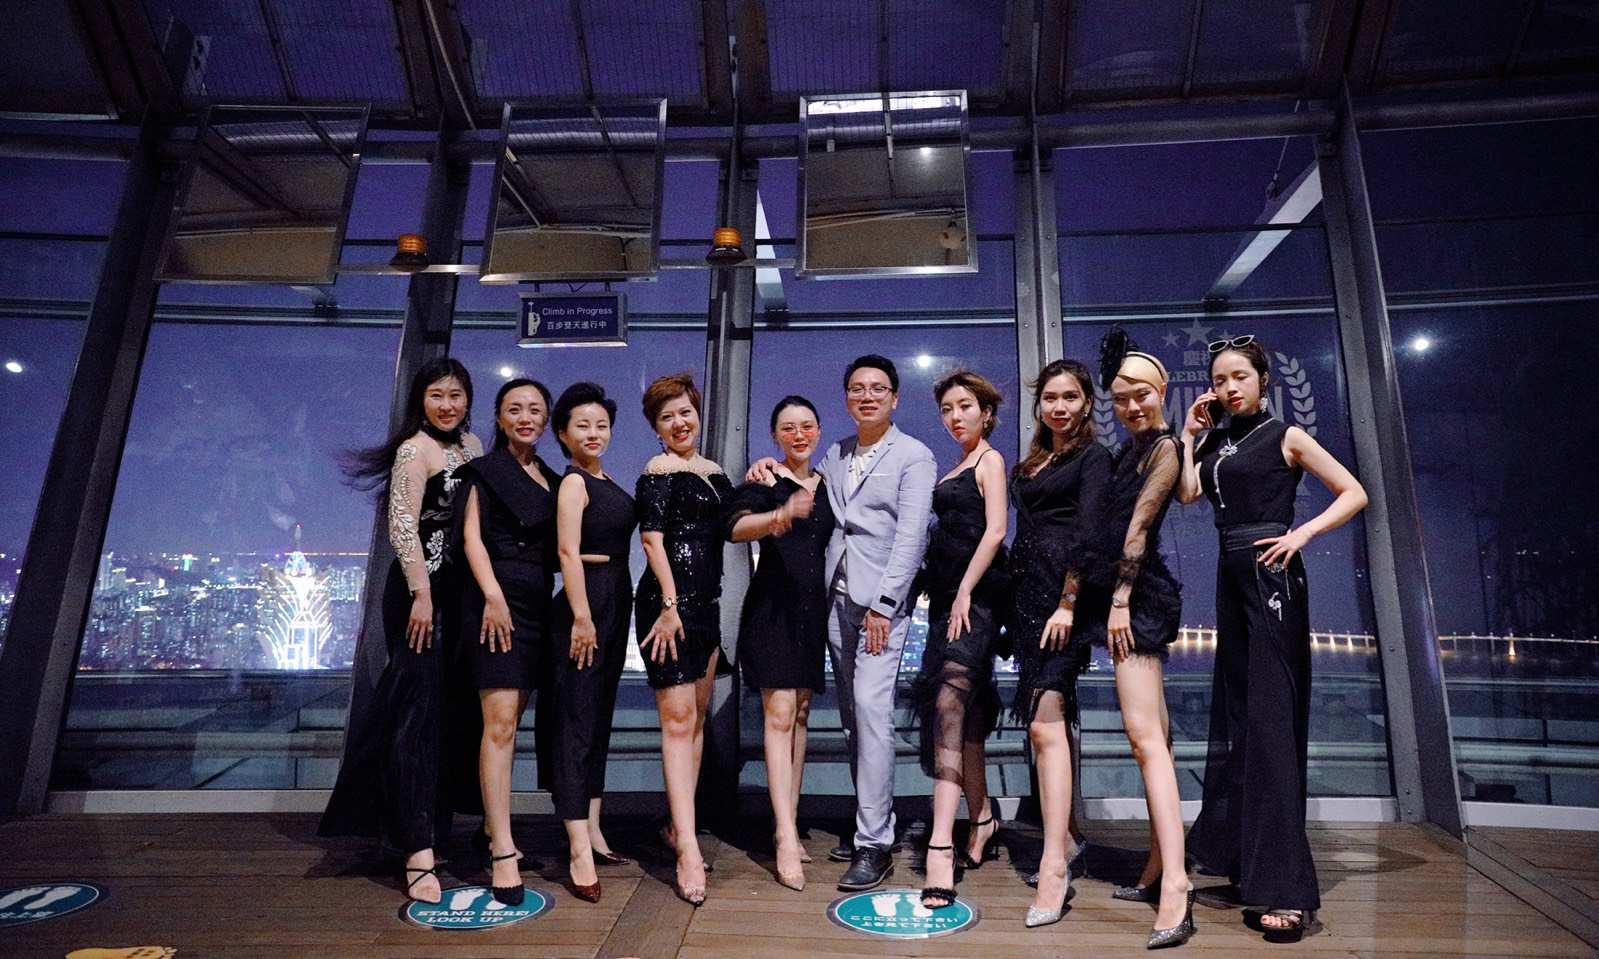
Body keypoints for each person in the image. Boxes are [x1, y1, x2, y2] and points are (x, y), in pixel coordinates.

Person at [1178, 335, 1368, 944]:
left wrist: (1300, 535)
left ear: (1264, 380)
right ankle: (1248, 864)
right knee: (1241, 722)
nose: (1229, 387)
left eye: (1240, 376)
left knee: (1270, 726)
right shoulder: (1217, 440)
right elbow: (1188, 492)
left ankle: (1285, 890)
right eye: (1219, 379)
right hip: (1230, 581)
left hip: (1270, 580)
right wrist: (1189, 434)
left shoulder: (1285, 435)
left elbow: (1355, 492)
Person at [751, 353, 935, 892]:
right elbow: (802, 482)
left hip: (879, 606)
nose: (867, 396)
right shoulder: (837, 452)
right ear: (847, 398)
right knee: (853, 717)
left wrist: (885, 603)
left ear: (895, 398)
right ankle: (867, 826)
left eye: (878, 388)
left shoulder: (914, 456)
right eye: (857, 388)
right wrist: (766, 468)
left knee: (873, 712)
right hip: (834, 599)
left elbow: (912, 537)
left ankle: (876, 843)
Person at [320, 358, 483, 905]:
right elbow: (402, 527)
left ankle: (436, 831)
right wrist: (421, 593)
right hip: (421, 597)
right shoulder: (415, 450)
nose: (447, 405)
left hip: (460, 597)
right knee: (416, 716)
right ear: (421, 401)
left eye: (455, 395)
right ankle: (416, 851)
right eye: (436, 395)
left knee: (449, 715)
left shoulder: (472, 446)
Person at [1096, 331, 1194, 949]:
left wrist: (1119, 601)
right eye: (1121, 398)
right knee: (1155, 737)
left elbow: (1138, 527)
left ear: (1162, 392)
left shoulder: (1162, 449)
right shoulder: (1130, 450)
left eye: (1142, 395)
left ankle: (1178, 885)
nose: (1131, 406)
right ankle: (1159, 865)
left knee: (1143, 738)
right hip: (1131, 595)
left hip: (1139, 599)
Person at [1008, 358, 1110, 928]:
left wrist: (1069, 602)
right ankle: (1067, 838)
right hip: (1025, 599)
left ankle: (1053, 867)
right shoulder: (1031, 463)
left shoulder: (1093, 458)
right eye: (1051, 398)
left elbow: (1090, 535)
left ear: (1087, 403)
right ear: (1039, 405)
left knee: (1046, 724)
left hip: (1062, 602)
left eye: (1070, 397)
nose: (1060, 407)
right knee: (1044, 723)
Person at [455, 378, 561, 906]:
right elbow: (470, 537)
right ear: (498, 417)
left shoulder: (551, 477)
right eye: (515, 409)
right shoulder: (484, 471)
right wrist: (493, 596)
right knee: (498, 725)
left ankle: (489, 830)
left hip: (538, 602)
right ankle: (502, 850)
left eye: (535, 410)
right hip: (495, 603)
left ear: (546, 420)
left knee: (512, 722)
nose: (525, 418)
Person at [908, 370, 1009, 911]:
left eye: (965, 406)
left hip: (978, 599)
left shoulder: (990, 461)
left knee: (949, 705)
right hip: (947, 601)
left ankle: (940, 848)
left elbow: (996, 530)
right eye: (947, 408)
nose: (955, 416)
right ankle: (983, 818)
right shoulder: (954, 466)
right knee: (963, 715)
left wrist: (967, 590)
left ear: (986, 413)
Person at [634, 373, 734, 907]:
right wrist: (671, 606)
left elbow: (737, 521)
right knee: (677, 723)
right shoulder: (658, 471)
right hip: (665, 609)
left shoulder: (713, 473)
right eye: (667, 416)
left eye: (685, 412)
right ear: (656, 427)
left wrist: (766, 474)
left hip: (706, 608)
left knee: (694, 721)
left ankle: (679, 827)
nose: (679, 423)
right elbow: (652, 540)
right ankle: (689, 849)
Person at [725, 396, 831, 891]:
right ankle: (786, 836)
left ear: (818, 430)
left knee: (801, 714)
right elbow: (733, 528)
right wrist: (779, 514)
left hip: (812, 615)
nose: (798, 434)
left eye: (807, 425)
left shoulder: (829, 485)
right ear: (775, 436)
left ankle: (786, 817)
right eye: (788, 427)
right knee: (780, 714)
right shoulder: (765, 482)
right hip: (772, 611)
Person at [548, 382, 637, 903]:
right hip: (587, 604)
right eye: (582, 425)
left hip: (614, 600)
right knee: (576, 724)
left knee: (598, 718)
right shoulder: (573, 484)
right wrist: (581, 616)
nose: (593, 432)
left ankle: (595, 832)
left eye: (601, 424)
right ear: (563, 433)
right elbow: (566, 551)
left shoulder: (606, 479)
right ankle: (578, 848)